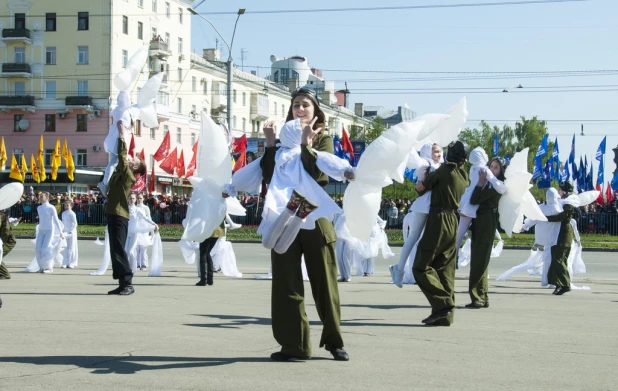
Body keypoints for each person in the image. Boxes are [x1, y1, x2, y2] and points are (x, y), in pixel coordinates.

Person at [261, 88, 349, 361]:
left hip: (315, 217)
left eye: (305, 105)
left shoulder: (323, 139)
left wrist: (306, 145)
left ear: (315, 112)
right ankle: (294, 345)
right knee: (286, 283)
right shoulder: (282, 144)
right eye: (296, 105)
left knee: (325, 283)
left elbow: (318, 174)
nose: (300, 109)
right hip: (285, 217)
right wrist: (271, 143)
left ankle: (334, 341)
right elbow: (267, 174)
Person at [412, 141, 469, 326]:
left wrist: (420, 184)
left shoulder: (444, 171)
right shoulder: (463, 175)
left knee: (420, 266)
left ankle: (443, 304)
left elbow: (422, 187)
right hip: (454, 221)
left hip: (439, 220)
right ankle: (445, 316)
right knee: (445, 269)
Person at [389, 143, 442, 287]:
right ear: (427, 153)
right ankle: (399, 270)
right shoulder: (425, 163)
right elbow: (413, 159)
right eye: (435, 152)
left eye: (439, 151)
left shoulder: (439, 165)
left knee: (430, 240)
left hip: (435, 205)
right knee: (413, 237)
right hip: (425, 205)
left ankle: (421, 271)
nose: (438, 154)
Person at [105, 121, 146, 295]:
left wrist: (122, 135)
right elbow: (117, 161)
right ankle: (122, 283)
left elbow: (122, 157)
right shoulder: (121, 173)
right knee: (115, 249)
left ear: (134, 167)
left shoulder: (128, 174)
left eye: (133, 158)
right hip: (113, 213)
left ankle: (128, 283)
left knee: (119, 249)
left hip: (119, 215)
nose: (131, 157)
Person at [465, 158, 506, 308]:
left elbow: (475, 199)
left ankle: (477, 297)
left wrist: (481, 182)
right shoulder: (492, 184)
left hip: (486, 219)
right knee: (479, 258)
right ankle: (482, 295)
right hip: (481, 219)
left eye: (496, 167)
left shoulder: (496, 185)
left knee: (479, 259)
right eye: (491, 166)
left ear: (501, 171)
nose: (491, 169)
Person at [545, 181, 576, 295]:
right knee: (555, 258)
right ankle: (558, 284)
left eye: (560, 189)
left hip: (564, 235)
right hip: (557, 234)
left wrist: (546, 218)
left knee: (559, 259)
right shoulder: (562, 202)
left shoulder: (569, 203)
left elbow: (561, 217)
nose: (558, 191)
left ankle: (565, 284)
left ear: (565, 191)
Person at [35, 192, 64, 273]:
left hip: (49, 230)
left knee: (45, 248)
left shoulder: (51, 208)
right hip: (41, 230)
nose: (40, 198)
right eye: (39, 197)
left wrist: (61, 232)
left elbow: (56, 220)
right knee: (38, 249)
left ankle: (48, 267)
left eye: (41, 197)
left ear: (47, 198)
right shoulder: (39, 208)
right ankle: (41, 266)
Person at [0, 211, 20, 279]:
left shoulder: (3, 218)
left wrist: (2, 243)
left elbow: (5, 233)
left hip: (8, 241)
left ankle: (5, 274)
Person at [135, 194, 153, 270]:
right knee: (137, 248)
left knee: (143, 247)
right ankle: (137, 264)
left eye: (140, 198)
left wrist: (151, 229)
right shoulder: (134, 208)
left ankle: (144, 264)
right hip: (137, 228)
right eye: (138, 198)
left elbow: (149, 218)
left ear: (143, 199)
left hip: (144, 229)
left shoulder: (146, 208)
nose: (139, 199)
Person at [61, 200, 79, 269]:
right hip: (65, 232)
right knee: (65, 247)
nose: (66, 207)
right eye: (65, 205)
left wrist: (71, 231)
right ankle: (65, 262)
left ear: (71, 206)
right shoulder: (63, 213)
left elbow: (75, 223)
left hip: (72, 232)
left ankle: (72, 262)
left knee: (71, 247)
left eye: (67, 205)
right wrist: (62, 231)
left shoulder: (72, 213)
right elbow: (63, 223)